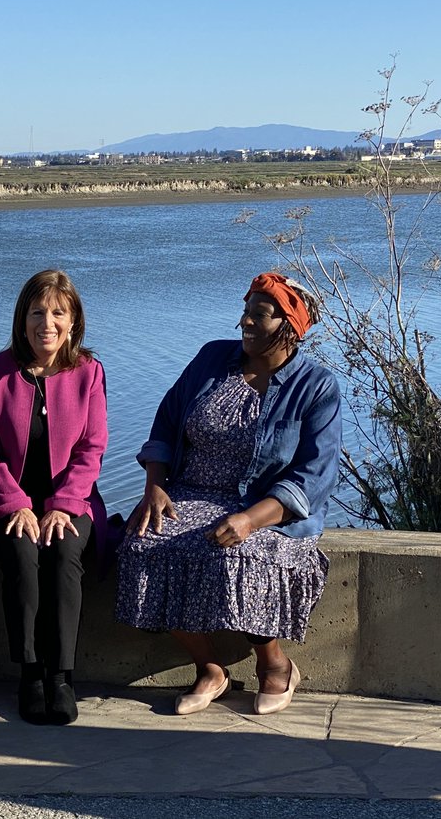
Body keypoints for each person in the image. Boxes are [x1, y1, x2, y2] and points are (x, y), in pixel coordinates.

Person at [116, 272, 340, 716]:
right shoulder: (211, 359)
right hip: (192, 491)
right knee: (143, 545)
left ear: (290, 327)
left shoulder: (316, 387)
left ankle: (275, 664)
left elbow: (315, 476)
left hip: (268, 509)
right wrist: (156, 486)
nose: (246, 322)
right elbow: (165, 420)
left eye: (260, 315)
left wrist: (250, 519)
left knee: (236, 554)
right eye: (246, 311)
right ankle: (210, 669)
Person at [0, 270, 108, 725]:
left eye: (58, 313)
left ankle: (62, 676)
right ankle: (30, 673)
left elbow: (93, 447)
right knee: (22, 551)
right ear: (22, 319)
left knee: (66, 550)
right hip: (4, 499)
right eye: (37, 312)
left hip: (74, 499)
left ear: (73, 321)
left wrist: (64, 504)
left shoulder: (89, 372)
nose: (47, 322)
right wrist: (17, 504)